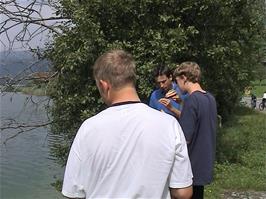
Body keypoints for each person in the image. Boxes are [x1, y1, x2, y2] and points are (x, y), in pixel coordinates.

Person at [62, 49, 193, 199]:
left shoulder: (88, 128)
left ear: (104, 85)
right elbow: (183, 193)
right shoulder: (170, 125)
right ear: (132, 80)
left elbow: (72, 192)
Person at [174, 62, 217, 199]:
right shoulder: (210, 98)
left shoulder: (192, 100)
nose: (177, 85)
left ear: (184, 77)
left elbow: (185, 138)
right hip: (205, 161)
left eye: (177, 80)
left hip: (191, 165)